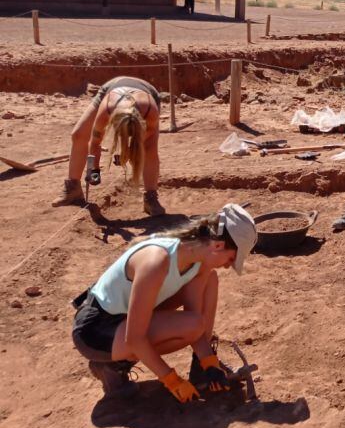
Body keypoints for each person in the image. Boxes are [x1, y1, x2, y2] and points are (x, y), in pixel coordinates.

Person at [71, 204, 257, 401]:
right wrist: (172, 380)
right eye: (231, 259)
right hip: (95, 330)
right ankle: (113, 366)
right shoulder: (156, 262)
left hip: (125, 319)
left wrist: (209, 363)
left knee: (207, 288)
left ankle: (200, 370)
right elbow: (134, 338)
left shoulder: (199, 263)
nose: (228, 266)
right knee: (190, 325)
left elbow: (196, 323)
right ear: (218, 245)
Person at [52, 76, 165, 216]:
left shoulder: (150, 111)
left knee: (149, 149)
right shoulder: (106, 110)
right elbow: (94, 143)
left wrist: (130, 151)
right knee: (78, 134)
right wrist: (94, 171)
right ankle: (72, 188)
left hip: (147, 93)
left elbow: (146, 141)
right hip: (112, 89)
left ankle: (151, 198)